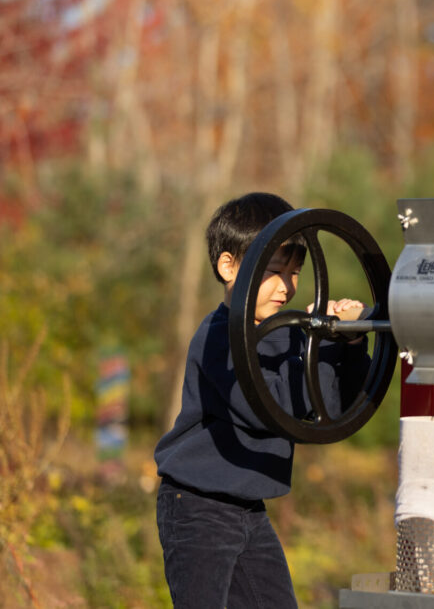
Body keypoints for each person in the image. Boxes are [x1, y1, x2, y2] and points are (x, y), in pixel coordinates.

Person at [154, 192, 370, 609]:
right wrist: (319, 341)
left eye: (294, 273)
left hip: (248, 509)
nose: (286, 286)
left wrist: (348, 343)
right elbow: (266, 409)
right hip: (197, 506)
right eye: (274, 271)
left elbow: (328, 406)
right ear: (229, 266)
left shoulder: (286, 334)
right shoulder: (220, 337)